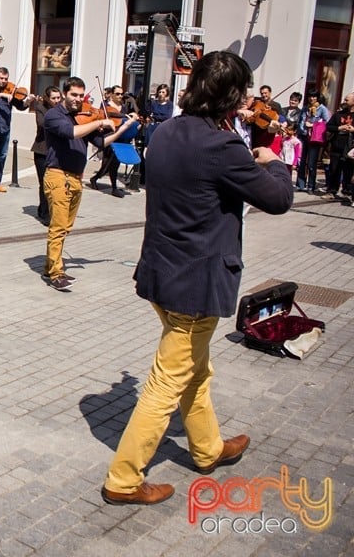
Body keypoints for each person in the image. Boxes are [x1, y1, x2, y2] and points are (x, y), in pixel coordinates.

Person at [101, 50, 294, 506]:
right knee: (167, 381)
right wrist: (274, 159)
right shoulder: (223, 145)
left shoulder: (166, 132)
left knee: (195, 368)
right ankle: (123, 479)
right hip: (195, 284)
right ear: (232, 97)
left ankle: (207, 448)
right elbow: (278, 200)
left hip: (162, 273)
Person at [41, 77, 137, 290]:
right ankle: (56, 273)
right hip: (57, 175)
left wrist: (123, 128)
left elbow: (100, 142)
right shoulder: (54, 116)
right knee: (57, 227)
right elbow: (70, 133)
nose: (77, 100)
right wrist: (100, 121)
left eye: (80, 96)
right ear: (65, 93)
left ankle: (50, 266)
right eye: (73, 95)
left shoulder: (83, 117)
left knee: (66, 226)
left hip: (76, 177)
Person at [0, 67, 35, 195]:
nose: (4, 81)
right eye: (1, 78)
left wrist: (28, 101)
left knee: (2, 156)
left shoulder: (12, 90)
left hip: (4, 128)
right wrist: (1, 94)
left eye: (6, 79)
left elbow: (20, 106)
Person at [89, 85, 132, 197]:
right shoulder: (106, 106)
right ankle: (112, 187)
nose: (120, 96)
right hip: (109, 136)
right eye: (117, 94)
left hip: (120, 137)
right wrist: (122, 116)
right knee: (108, 163)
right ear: (112, 94)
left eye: (121, 94)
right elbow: (103, 119)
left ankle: (98, 180)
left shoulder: (124, 107)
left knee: (115, 163)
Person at [31, 86, 61, 223]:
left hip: (57, 151)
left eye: (58, 98)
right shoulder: (40, 107)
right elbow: (41, 123)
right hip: (42, 150)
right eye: (53, 98)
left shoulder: (62, 109)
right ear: (47, 98)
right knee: (44, 183)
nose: (56, 100)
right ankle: (44, 213)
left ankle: (47, 209)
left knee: (55, 184)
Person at [298, 90, 331, 192]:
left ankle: (311, 185)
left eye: (314, 97)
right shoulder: (305, 108)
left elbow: (327, 123)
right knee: (302, 162)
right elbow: (300, 121)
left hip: (314, 138)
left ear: (317, 98)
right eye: (310, 96)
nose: (311, 99)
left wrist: (313, 125)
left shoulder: (322, 109)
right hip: (303, 136)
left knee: (312, 163)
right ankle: (301, 184)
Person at [325, 91, 354, 198]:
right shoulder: (339, 114)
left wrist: (353, 130)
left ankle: (347, 191)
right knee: (334, 169)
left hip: (350, 148)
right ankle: (332, 191)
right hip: (337, 146)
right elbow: (328, 126)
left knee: (348, 170)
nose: (344, 101)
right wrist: (339, 128)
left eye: (347, 100)